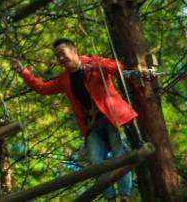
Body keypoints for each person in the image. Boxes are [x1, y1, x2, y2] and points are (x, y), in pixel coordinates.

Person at [18, 40, 138, 202]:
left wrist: (94, 66)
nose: (60, 58)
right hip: (92, 125)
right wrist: (24, 72)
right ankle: (111, 198)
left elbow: (118, 67)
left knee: (119, 155)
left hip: (113, 118)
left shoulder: (93, 63)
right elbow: (43, 88)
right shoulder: (64, 78)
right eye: (57, 56)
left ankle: (124, 195)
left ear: (74, 51)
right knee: (97, 163)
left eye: (62, 53)